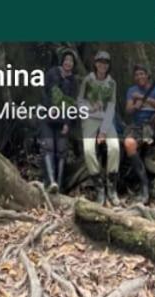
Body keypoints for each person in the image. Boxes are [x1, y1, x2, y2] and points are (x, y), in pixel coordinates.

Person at [124, 63, 155, 204]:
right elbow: (128, 110)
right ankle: (144, 185)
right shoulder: (131, 90)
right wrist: (135, 106)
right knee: (129, 144)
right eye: (137, 74)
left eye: (142, 73)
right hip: (137, 126)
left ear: (147, 75)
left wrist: (143, 98)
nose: (140, 76)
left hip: (154, 124)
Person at [78, 50, 120, 207]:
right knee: (88, 150)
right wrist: (90, 108)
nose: (103, 65)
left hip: (106, 120)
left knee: (115, 148)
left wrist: (103, 130)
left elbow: (111, 106)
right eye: (100, 62)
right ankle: (99, 188)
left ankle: (112, 188)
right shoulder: (87, 80)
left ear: (109, 66)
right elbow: (79, 101)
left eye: (106, 63)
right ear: (95, 63)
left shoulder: (111, 83)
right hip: (89, 119)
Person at [40, 48, 78, 193]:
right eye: (66, 60)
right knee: (48, 146)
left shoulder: (73, 81)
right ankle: (50, 182)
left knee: (61, 150)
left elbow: (72, 103)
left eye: (71, 61)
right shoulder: (52, 73)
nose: (68, 63)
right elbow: (44, 92)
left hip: (63, 119)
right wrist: (49, 108)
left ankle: (59, 186)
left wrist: (68, 122)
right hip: (48, 115)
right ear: (62, 61)